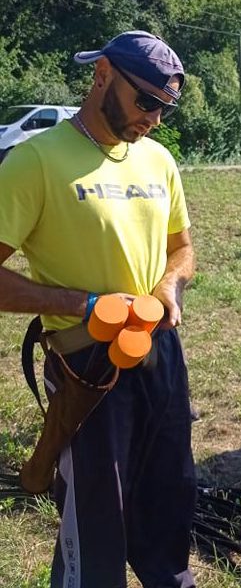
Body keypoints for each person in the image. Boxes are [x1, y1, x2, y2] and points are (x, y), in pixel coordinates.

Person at [0, 31, 197, 588]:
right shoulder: (34, 161)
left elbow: (182, 249)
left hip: (160, 354)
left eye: (167, 107)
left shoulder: (158, 160)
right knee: (96, 522)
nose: (155, 119)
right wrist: (79, 304)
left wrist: (168, 290)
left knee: (169, 495)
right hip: (87, 367)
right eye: (148, 102)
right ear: (104, 75)